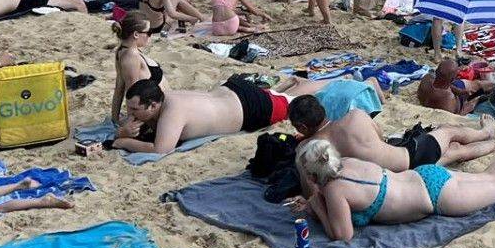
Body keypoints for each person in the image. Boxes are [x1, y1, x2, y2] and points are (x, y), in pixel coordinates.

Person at [295, 138, 495, 239]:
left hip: (437, 196)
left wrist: (317, 204)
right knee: (489, 178)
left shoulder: (333, 192)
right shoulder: (347, 162)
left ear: (313, 175)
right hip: (425, 176)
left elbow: (342, 235)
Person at [289, 83, 495, 171]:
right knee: (448, 131)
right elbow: (381, 138)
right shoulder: (355, 116)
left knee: (455, 152)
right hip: (408, 158)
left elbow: (312, 191)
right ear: (322, 110)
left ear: (301, 126)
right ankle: (485, 133)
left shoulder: (308, 150)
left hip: (391, 177)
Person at [110, 74, 332, 155]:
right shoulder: (164, 98)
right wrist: (124, 129)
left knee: (292, 104)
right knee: (279, 97)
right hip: (233, 92)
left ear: (152, 106)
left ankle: (335, 81)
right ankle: (292, 84)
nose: (130, 113)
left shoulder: (171, 111)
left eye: (135, 109)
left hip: (250, 108)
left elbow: (161, 149)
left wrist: (123, 142)